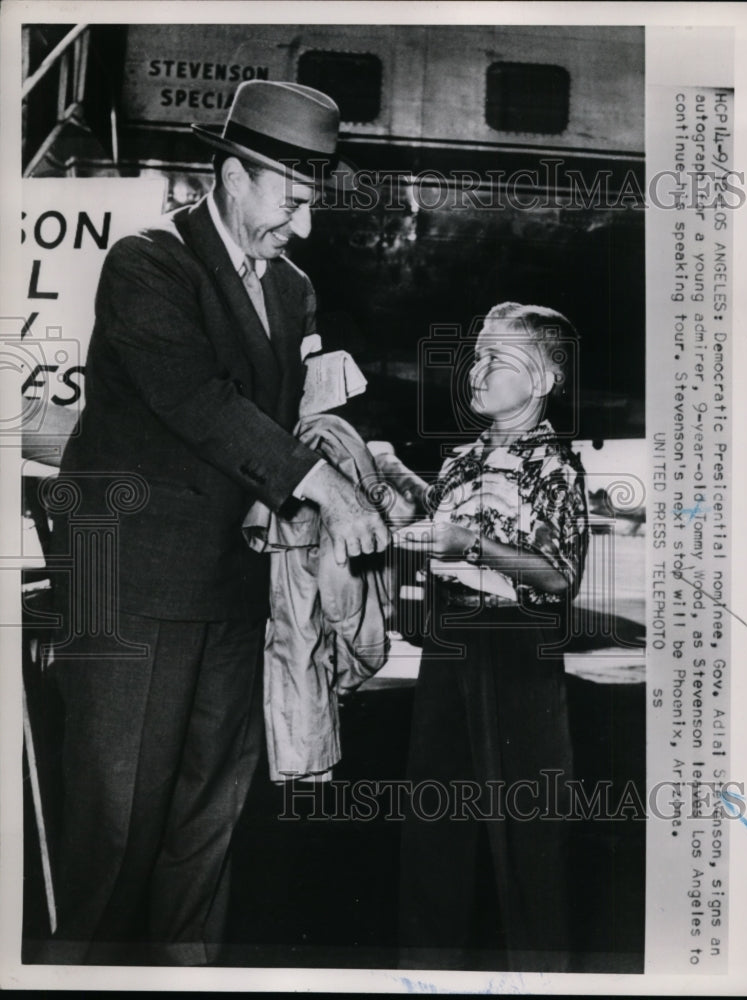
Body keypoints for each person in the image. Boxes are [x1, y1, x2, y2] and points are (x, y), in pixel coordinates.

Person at [41, 80, 390, 966]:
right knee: (117, 829)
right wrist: (329, 491)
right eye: (294, 201)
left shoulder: (292, 288)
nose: (302, 226)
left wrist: (355, 463)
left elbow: (277, 426)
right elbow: (201, 401)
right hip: (132, 590)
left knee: (210, 820)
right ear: (235, 176)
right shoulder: (148, 264)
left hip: (231, 592)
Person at [389, 303, 589, 971]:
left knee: (527, 829)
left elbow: (558, 577)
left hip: (517, 649)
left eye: (497, 360)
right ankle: (425, 972)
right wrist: (392, 479)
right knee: (434, 817)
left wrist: (468, 544)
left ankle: (542, 976)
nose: (476, 370)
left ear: (542, 381)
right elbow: (442, 523)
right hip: (452, 643)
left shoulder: (554, 464)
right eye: (476, 356)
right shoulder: (463, 457)